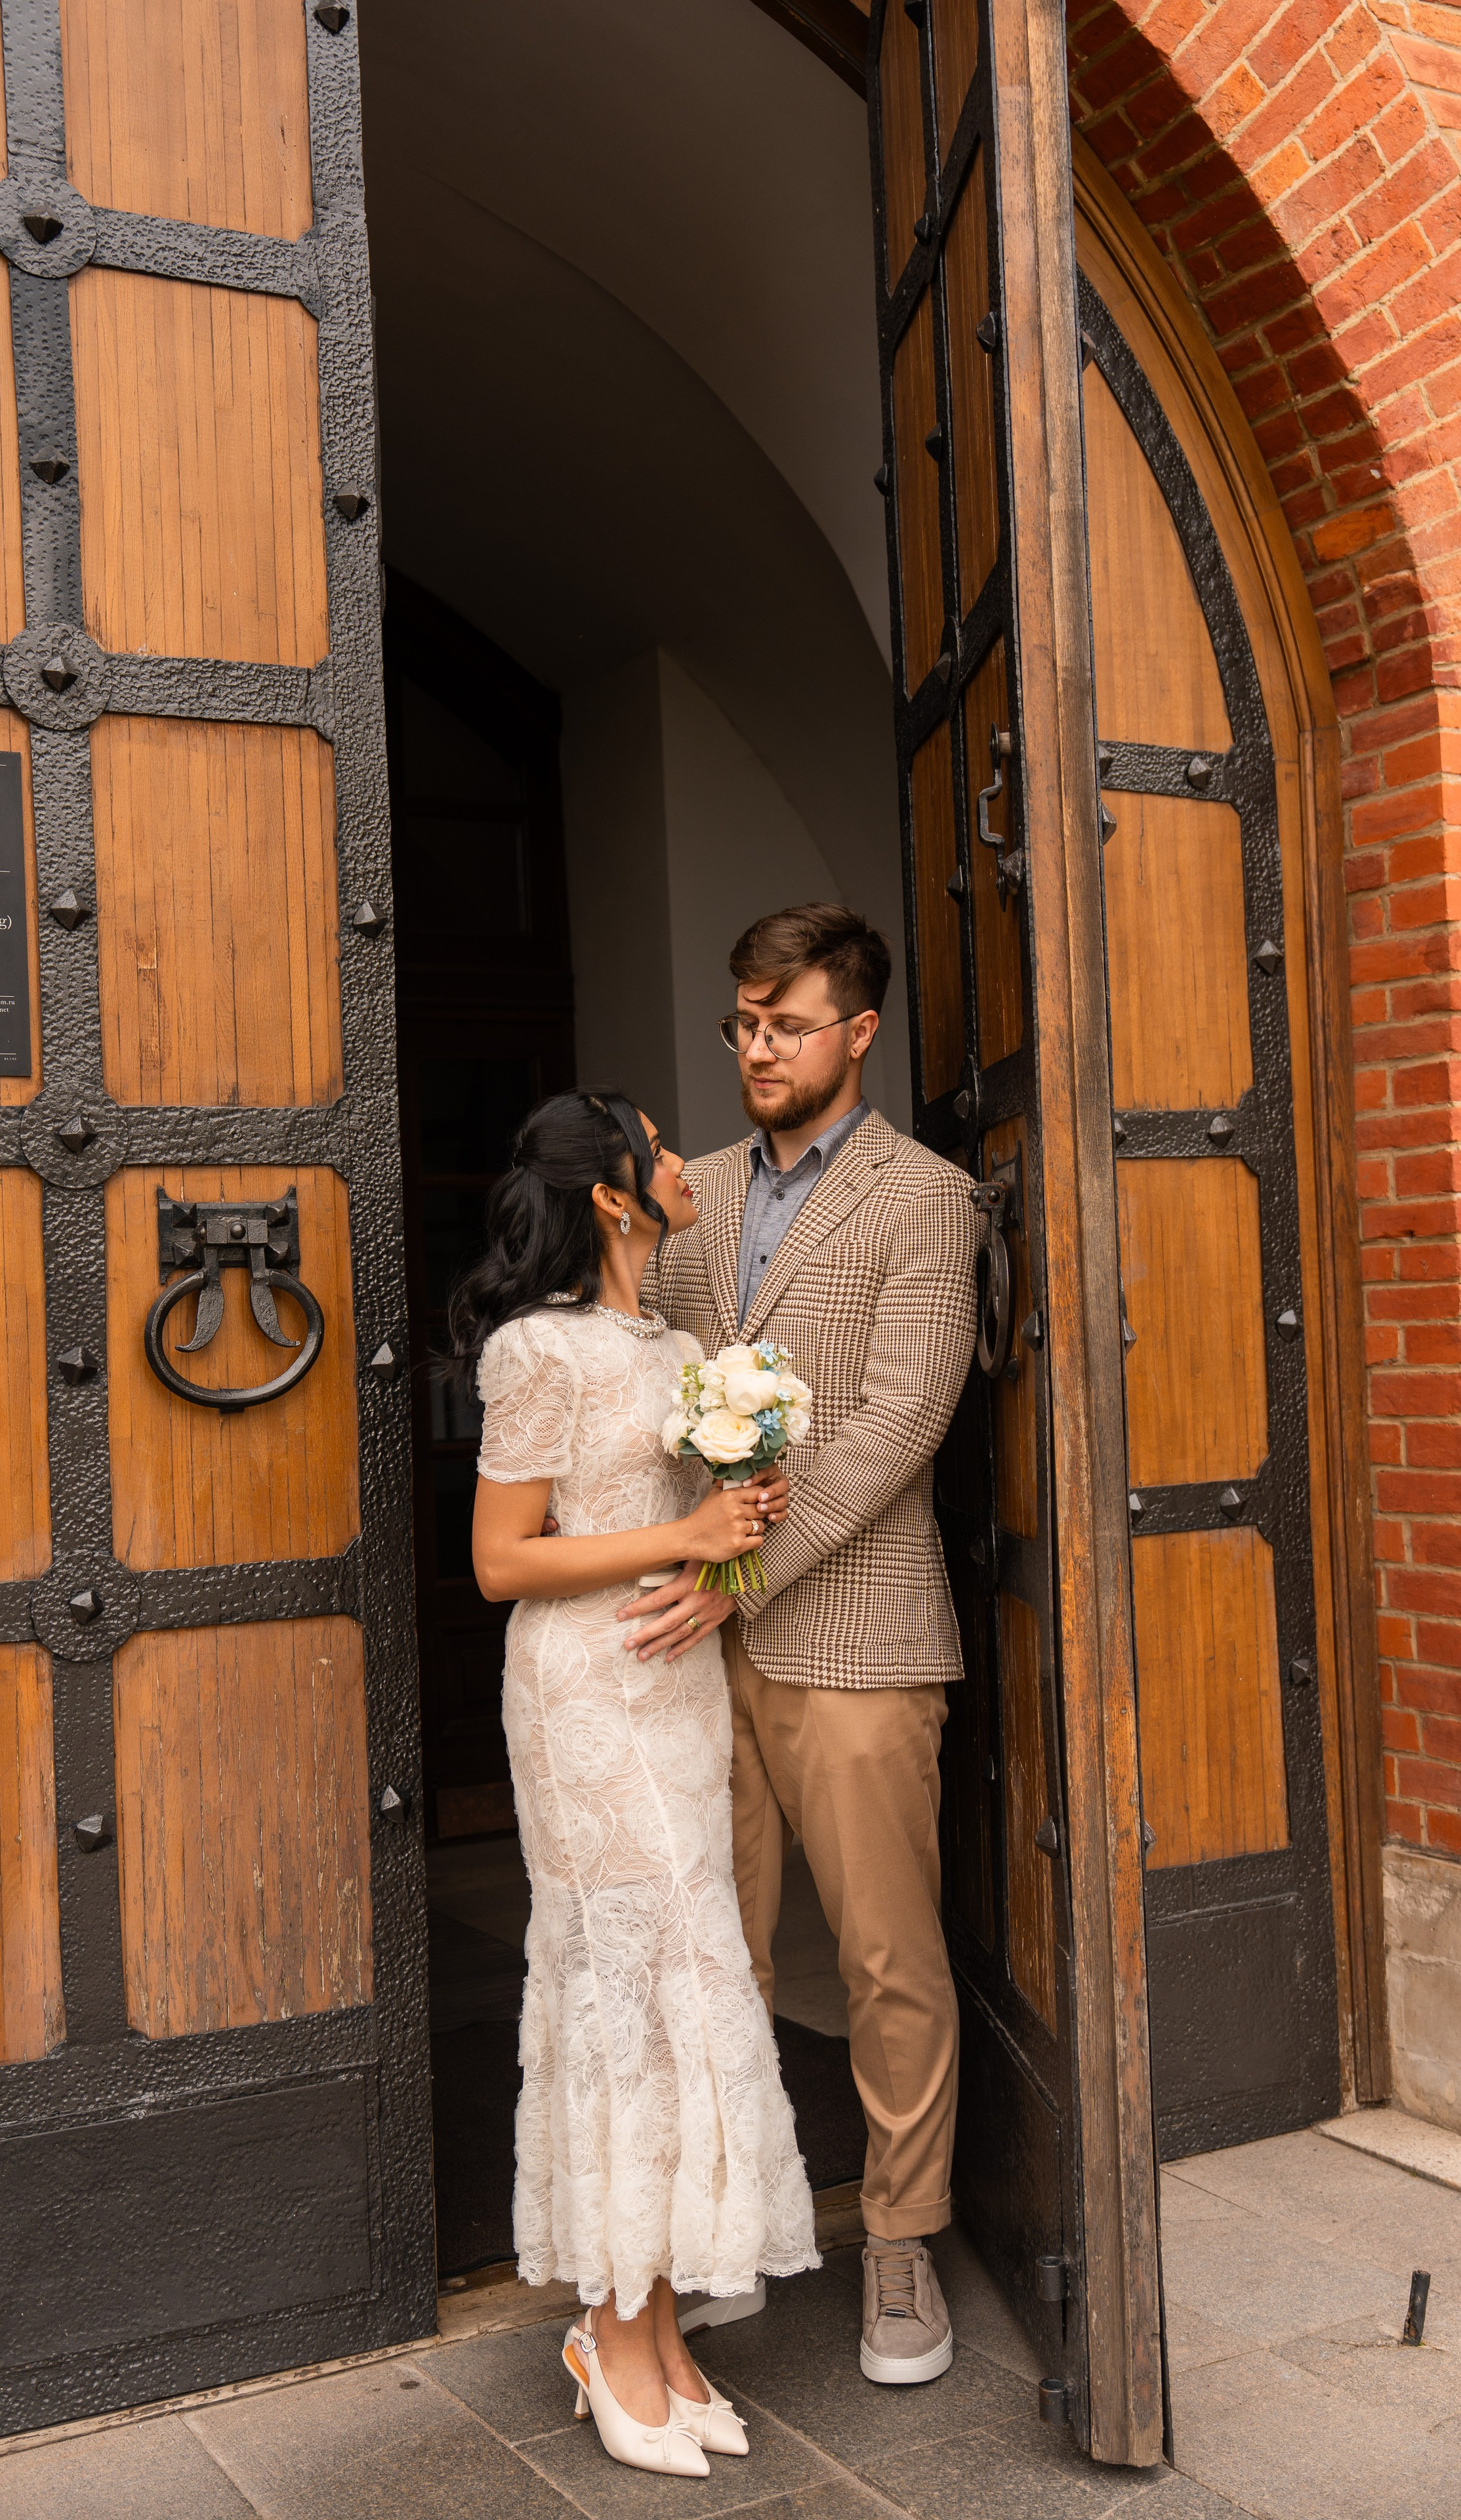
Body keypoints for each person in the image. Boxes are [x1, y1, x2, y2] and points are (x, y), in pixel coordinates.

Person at [635, 902, 979, 2387]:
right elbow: (636, 1378)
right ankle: (727, 2236)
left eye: (783, 1024)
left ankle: (901, 2243)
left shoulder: (926, 1199)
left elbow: (901, 1419)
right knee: (704, 1952)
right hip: (686, 1646)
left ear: (857, 1032)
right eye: (741, 1023)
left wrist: (743, 1571)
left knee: (884, 1958)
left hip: (857, 1633)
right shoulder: (684, 1197)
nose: (756, 1049)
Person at [454, 1088, 819, 2479]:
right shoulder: (535, 1351)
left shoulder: (677, 1343)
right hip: (582, 1694)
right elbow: (502, 1559)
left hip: (673, 1685)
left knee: (685, 1987)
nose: (682, 1165)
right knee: (621, 1995)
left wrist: (732, 1553)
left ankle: (655, 2329)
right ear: (611, 1195)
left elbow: (706, 1527)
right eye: (657, 1151)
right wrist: (682, 1529)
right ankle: (608, 2332)